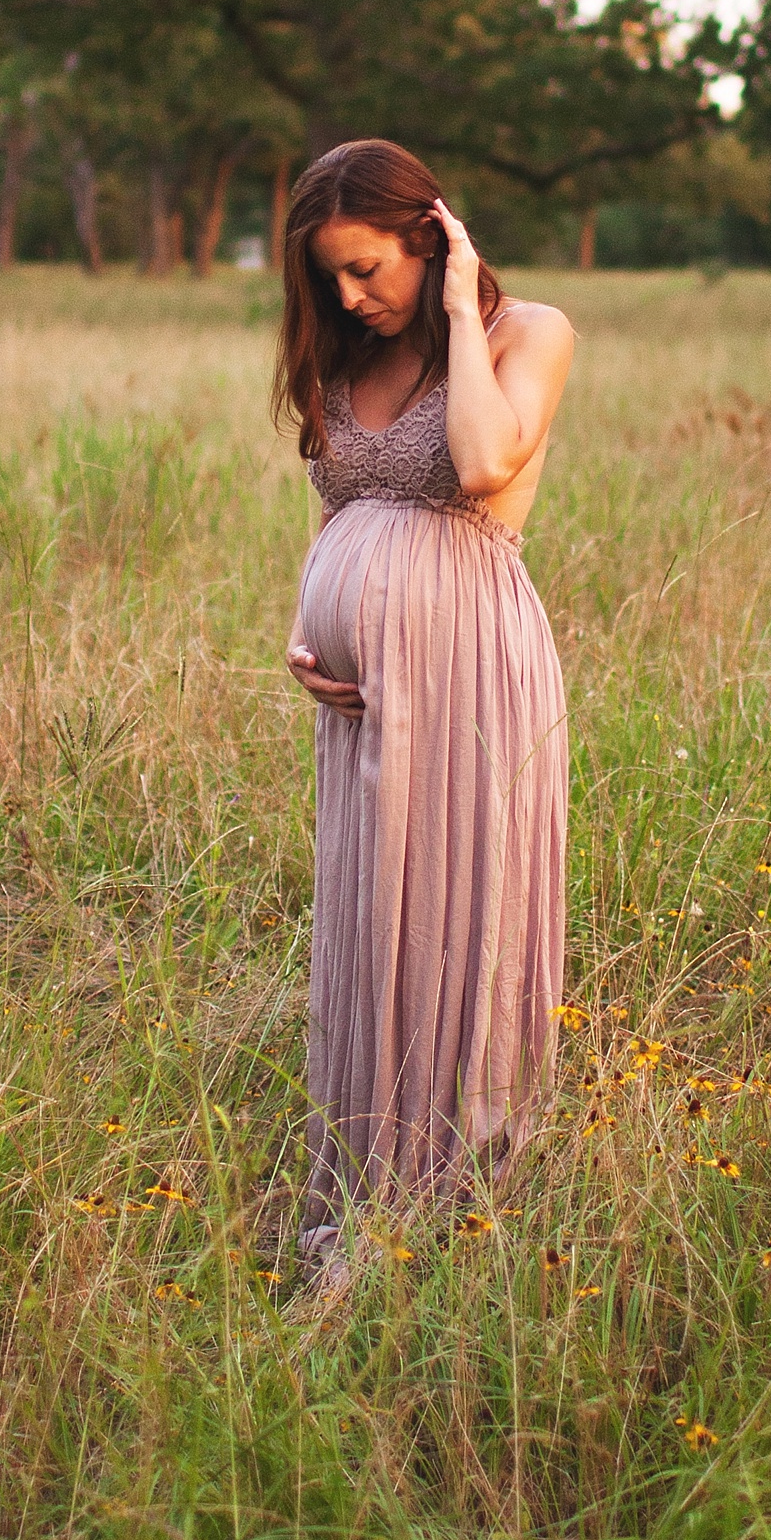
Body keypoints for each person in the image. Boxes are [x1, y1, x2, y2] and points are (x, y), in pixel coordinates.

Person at [274, 139, 575, 1283]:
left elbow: (488, 462)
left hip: (473, 673)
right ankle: (369, 1181)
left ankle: (464, 1196)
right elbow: (340, 517)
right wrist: (310, 643)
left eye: (366, 268)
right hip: (363, 702)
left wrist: (457, 307)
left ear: (430, 236)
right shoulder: (343, 361)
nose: (350, 297)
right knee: (373, 920)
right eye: (329, 280)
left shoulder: (522, 335)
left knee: (464, 908)